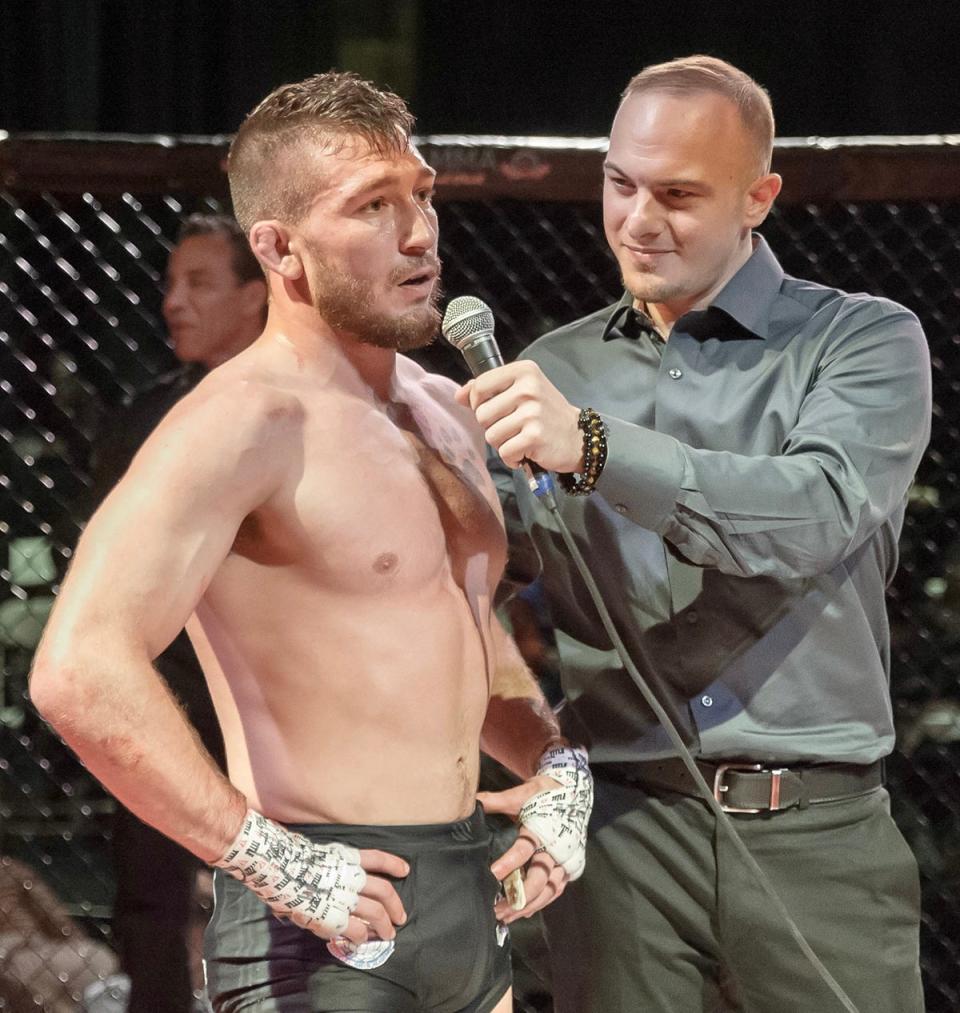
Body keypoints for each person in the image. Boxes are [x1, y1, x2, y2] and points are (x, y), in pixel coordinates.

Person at [28, 71, 592, 1013]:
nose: (417, 234)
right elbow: (76, 669)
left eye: (421, 196)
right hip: (326, 920)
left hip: (469, 892)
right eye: (372, 207)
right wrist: (263, 854)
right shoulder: (242, 422)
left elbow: (457, 631)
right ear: (279, 247)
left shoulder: (447, 407)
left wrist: (555, 767)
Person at [458, 55, 929, 1013]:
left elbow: (814, 513)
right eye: (619, 184)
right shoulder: (557, 367)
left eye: (678, 194)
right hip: (623, 837)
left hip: (816, 837)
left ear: (759, 197)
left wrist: (592, 447)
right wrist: (531, 754)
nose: (637, 220)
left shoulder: (862, 340)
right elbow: (463, 586)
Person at [88, 212, 267, 1013]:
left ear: (257, 294)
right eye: (169, 283)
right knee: (151, 900)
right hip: (164, 691)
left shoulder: (299, 408)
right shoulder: (139, 417)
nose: (174, 302)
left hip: (272, 695)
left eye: (199, 282)